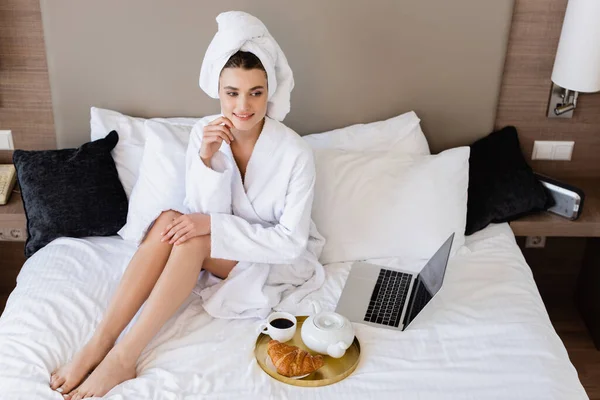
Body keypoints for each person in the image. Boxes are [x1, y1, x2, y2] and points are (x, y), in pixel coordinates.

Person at [49, 11, 325, 400]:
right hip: (224, 248)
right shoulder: (205, 132)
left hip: (273, 260)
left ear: (269, 91)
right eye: (232, 93)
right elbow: (199, 212)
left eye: (255, 92)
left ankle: (124, 356)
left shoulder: (295, 152)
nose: (243, 106)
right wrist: (208, 158)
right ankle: (99, 342)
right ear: (218, 91)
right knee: (167, 221)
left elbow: (288, 243)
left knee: (192, 238)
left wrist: (209, 226)